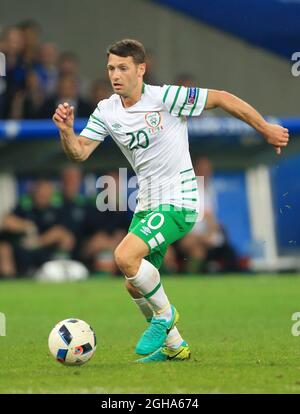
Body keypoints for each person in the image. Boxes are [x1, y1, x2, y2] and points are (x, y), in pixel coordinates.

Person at [52, 39, 289, 363]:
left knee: (124, 256)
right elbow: (79, 152)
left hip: (179, 201)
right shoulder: (106, 110)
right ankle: (175, 346)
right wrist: (66, 131)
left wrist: (264, 128)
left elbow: (221, 98)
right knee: (134, 284)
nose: (115, 75)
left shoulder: (166, 97)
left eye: (123, 68)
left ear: (141, 69)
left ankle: (165, 317)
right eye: (111, 68)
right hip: (149, 203)